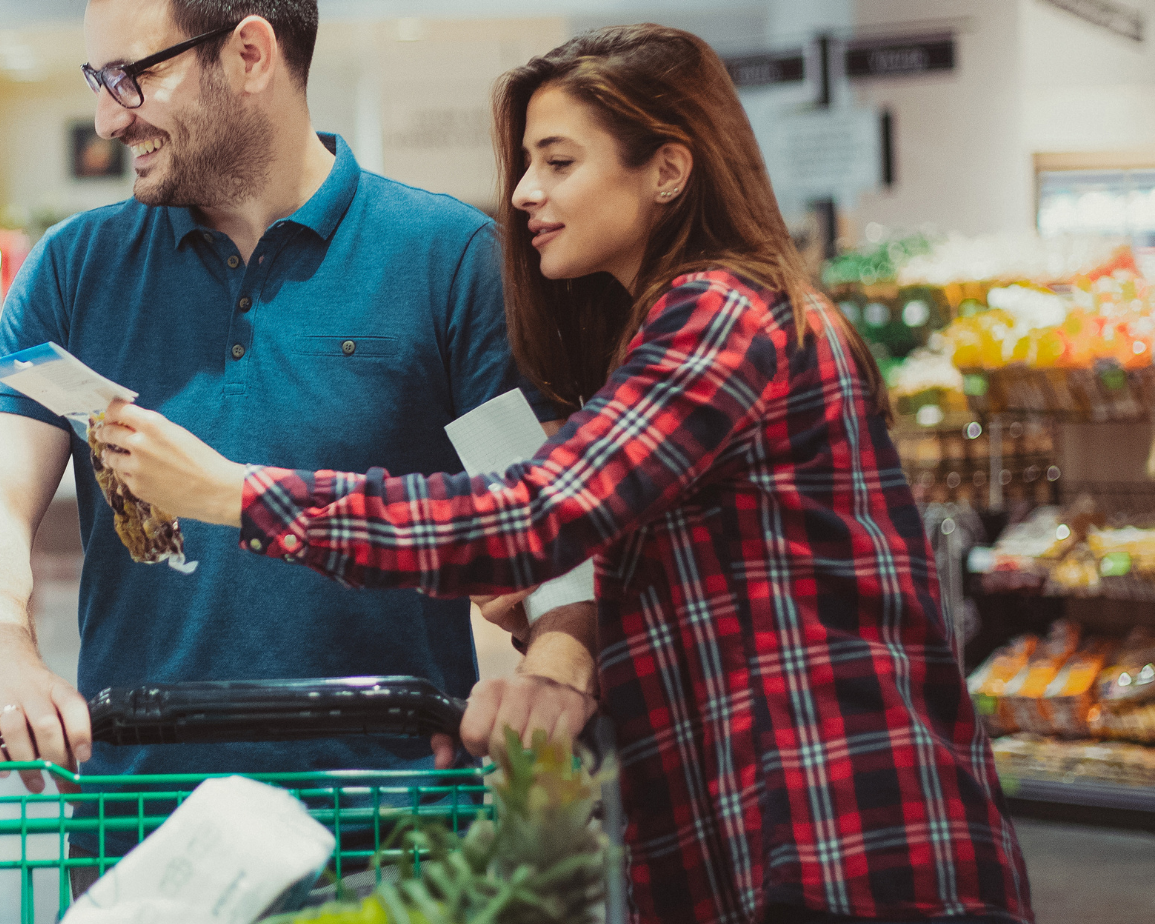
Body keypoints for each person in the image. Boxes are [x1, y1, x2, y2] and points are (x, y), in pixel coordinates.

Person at [95, 23, 1034, 924]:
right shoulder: (661, 335)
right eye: (525, 165)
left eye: (559, 161)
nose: (523, 195)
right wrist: (560, 645)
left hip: (844, 848)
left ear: (667, 168)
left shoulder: (725, 315)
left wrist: (234, 494)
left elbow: (535, 511)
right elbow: (632, 554)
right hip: (754, 851)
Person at [0, 0, 585, 880]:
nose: (107, 117)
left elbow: (540, 510)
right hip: (141, 833)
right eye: (101, 81)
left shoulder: (447, 262)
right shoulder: (76, 269)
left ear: (248, 54)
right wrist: (1, 651)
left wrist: (554, 658)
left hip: (391, 840)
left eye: (134, 76)